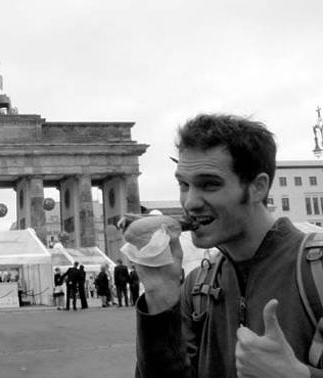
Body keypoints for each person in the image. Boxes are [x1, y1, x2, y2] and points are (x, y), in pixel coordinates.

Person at [131, 113, 323, 377]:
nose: (189, 202)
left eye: (209, 185)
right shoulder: (196, 286)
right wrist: (160, 298)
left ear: (258, 187)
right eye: (184, 184)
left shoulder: (317, 271)